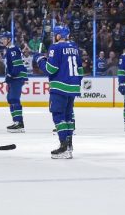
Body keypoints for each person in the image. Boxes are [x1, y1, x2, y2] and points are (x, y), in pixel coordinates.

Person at [34, 25, 83, 159]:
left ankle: (63, 147)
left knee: (58, 115)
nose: (53, 36)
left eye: (55, 34)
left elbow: (51, 69)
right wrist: (76, 83)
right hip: (73, 87)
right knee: (68, 115)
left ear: (59, 35)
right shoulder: (74, 47)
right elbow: (80, 69)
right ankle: (69, 145)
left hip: (60, 86)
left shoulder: (55, 47)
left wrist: (40, 60)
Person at [1, 31, 28, 133]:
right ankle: (16, 122)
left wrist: (11, 75)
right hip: (13, 78)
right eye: (2, 38)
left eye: (4, 38)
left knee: (14, 98)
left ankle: (19, 123)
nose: (2, 40)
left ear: (9, 39)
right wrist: (9, 76)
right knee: (10, 99)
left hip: (17, 77)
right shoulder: (9, 50)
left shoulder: (13, 49)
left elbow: (18, 66)